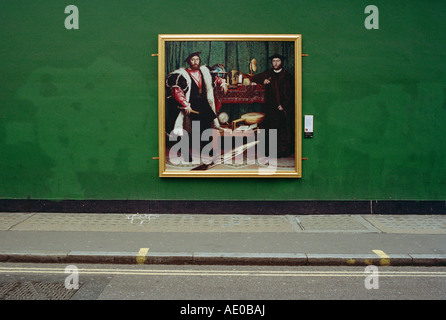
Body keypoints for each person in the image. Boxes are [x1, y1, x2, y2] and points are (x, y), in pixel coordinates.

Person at [165, 52, 228, 138]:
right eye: (193, 60)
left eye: (197, 59)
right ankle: (196, 147)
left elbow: (215, 78)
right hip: (193, 104)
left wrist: (222, 83)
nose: (195, 62)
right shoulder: (183, 74)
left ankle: (208, 148)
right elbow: (176, 91)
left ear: (199, 61)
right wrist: (185, 104)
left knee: (208, 125)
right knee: (196, 127)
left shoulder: (204, 71)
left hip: (204, 103)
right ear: (189, 62)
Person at [251, 53, 295, 158]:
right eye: (273, 61)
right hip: (270, 107)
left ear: (281, 62)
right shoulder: (268, 74)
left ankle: (281, 152)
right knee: (269, 129)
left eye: (277, 61)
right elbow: (254, 78)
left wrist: (284, 105)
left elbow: (292, 93)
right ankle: (270, 151)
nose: (275, 63)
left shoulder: (287, 76)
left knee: (281, 130)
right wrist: (263, 81)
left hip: (281, 107)